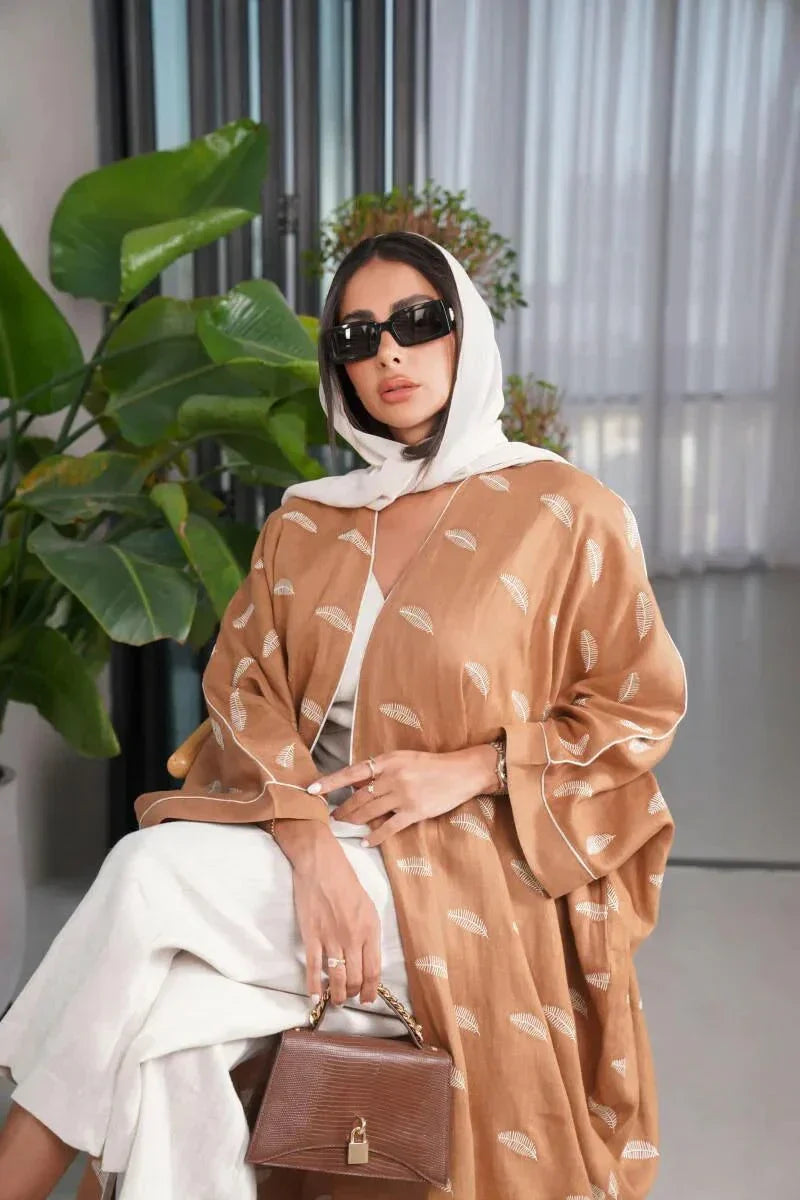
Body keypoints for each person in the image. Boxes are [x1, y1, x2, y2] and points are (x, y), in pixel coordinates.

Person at [0, 231, 687, 1200]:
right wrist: (312, 848)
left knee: (148, 876)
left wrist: (473, 767)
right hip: (304, 846)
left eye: (417, 321)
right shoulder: (308, 520)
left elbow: (636, 707)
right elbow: (245, 689)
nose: (388, 354)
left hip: (466, 866)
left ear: (465, 331)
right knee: (168, 1034)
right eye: (358, 337)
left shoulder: (564, 512)